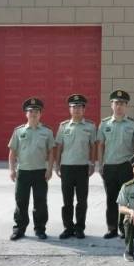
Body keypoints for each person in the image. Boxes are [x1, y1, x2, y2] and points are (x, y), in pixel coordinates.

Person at [7, 97, 55, 241]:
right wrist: (11, 169)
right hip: (23, 172)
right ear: (26, 114)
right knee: (21, 202)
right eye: (31, 111)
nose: (33, 113)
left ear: (41, 114)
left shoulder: (47, 132)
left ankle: (40, 229)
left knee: (40, 202)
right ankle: (19, 229)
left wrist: (49, 169)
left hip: (40, 171)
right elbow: (12, 152)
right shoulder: (18, 131)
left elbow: (51, 152)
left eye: (36, 111)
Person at [97, 89, 134, 239]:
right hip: (109, 166)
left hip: (126, 166)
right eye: (116, 103)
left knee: (126, 199)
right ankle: (111, 229)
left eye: (122, 103)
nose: (119, 106)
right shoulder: (104, 124)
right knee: (111, 198)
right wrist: (100, 164)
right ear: (111, 105)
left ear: (126, 106)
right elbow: (100, 145)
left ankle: (124, 228)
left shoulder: (132, 124)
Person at [55, 94, 97, 240]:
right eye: (74, 107)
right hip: (66, 167)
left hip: (82, 167)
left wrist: (92, 163)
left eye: (79, 107)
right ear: (69, 109)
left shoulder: (90, 126)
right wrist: (57, 164)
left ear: (84, 109)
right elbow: (59, 146)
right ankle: (68, 228)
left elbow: (93, 146)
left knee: (82, 200)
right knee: (67, 200)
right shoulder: (63, 126)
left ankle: (79, 228)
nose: (76, 109)